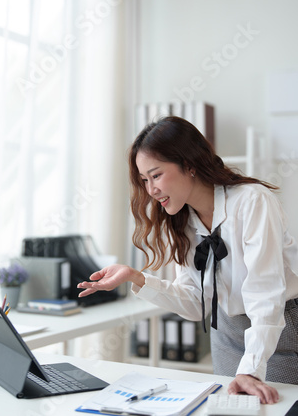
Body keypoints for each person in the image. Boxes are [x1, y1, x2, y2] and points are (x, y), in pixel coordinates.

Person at [78, 116, 298, 404]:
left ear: (190, 164)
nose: (151, 190)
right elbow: (196, 305)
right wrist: (136, 277)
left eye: (156, 175)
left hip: (277, 328)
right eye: (144, 180)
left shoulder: (252, 202)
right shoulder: (182, 222)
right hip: (226, 335)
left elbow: (265, 294)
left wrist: (252, 370)